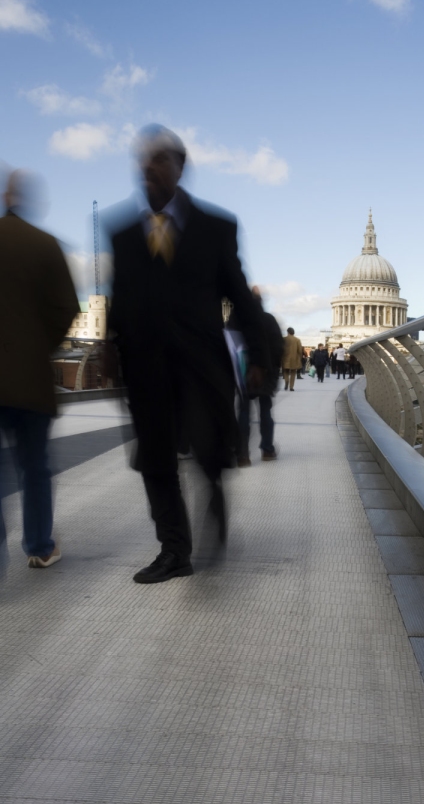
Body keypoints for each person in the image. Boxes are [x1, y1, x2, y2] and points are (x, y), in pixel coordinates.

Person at [106, 125, 267, 584]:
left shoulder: (216, 227)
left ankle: (214, 492)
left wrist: (257, 356)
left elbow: (238, 294)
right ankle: (175, 550)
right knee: (155, 460)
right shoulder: (123, 234)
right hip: (145, 366)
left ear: (180, 169)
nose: (148, 168)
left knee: (207, 445)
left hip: (201, 364)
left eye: (160, 160)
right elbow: (119, 297)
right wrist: (109, 344)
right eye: (144, 161)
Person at [0, 170, 79, 570]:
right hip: (29, 381)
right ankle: (39, 545)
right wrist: (37, 346)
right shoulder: (45, 245)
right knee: (34, 468)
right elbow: (68, 309)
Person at [230, 286, 282, 464]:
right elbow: (278, 348)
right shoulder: (268, 320)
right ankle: (267, 450)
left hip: (243, 372)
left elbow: (229, 345)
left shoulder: (235, 320)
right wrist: (273, 369)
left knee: (243, 412)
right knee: (265, 411)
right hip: (265, 372)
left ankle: (242, 454)